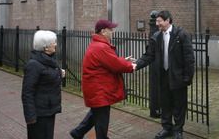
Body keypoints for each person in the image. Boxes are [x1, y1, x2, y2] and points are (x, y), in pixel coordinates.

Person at [70, 19, 136, 139]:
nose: (113, 32)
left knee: (96, 113)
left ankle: (78, 132)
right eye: (111, 29)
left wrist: (123, 60)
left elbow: (110, 61)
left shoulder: (98, 45)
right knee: (102, 120)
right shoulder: (101, 47)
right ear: (103, 31)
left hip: (97, 88)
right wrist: (131, 66)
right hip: (100, 90)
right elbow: (115, 64)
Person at [135, 10, 195, 139]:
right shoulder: (156, 36)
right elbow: (149, 55)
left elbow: (189, 58)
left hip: (178, 77)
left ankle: (178, 130)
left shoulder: (181, 35)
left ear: (168, 20)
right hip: (163, 76)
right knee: (165, 103)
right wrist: (136, 65)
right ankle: (167, 128)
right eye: (156, 21)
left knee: (179, 104)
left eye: (159, 21)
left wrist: (187, 78)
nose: (157, 24)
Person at [22, 30, 66, 139]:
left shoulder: (48, 60)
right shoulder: (34, 65)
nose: (56, 44)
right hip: (39, 115)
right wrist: (31, 117)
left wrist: (59, 73)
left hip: (49, 110)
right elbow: (27, 93)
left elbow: (46, 74)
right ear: (45, 47)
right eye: (53, 42)